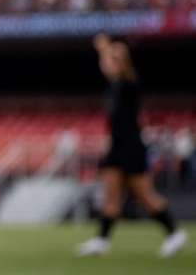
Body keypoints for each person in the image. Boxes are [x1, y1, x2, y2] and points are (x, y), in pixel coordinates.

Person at [77, 34, 188, 258]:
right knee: (110, 198)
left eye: (110, 61)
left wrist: (104, 47)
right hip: (116, 148)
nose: (104, 64)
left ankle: (174, 234)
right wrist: (105, 51)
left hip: (132, 148)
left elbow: (117, 64)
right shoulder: (114, 87)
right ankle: (101, 241)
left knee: (146, 196)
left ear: (119, 63)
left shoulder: (129, 84)